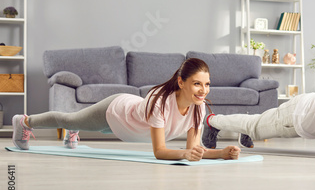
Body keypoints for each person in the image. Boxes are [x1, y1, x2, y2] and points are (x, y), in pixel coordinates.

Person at [12, 58, 241, 162]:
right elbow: (160, 151)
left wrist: (221, 153)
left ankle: (75, 131)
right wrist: (183, 154)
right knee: (70, 120)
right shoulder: (160, 101)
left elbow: (195, 149)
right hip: (114, 112)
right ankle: (24, 122)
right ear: (181, 82)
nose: (203, 90)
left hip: (128, 126)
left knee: (84, 126)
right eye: (197, 83)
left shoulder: (198, 109)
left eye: (207, 84)